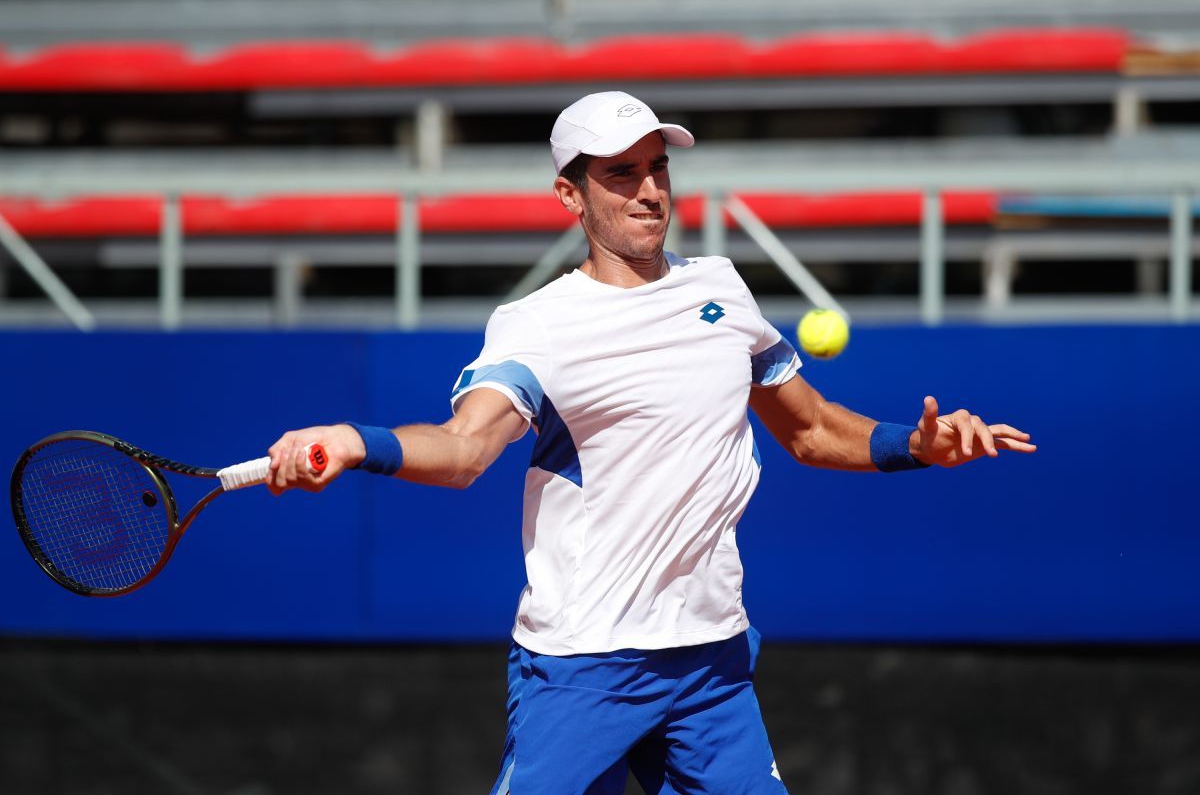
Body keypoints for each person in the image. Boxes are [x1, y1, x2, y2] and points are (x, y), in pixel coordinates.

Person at [266, 91, 1037, 794]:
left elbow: (810, 428)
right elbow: (465, 448)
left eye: (659, 169)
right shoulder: (537, 326)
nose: (649, 190)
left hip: (712, 666)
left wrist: (917, 444)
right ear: (570, 194)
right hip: (584, 668)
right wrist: (355, 440)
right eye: (621, 174)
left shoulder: (723, 291)